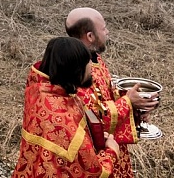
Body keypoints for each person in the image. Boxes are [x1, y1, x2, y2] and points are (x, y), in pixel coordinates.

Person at [65, 7, 158, 178]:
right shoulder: (76, 69)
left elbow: (105, 95)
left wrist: (137, 109)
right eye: (104, 28)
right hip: (97, 158)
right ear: (90, 36)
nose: (107, 32)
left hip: (114, 150)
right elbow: (91, 120)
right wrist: (128, 102)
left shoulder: (95, 58)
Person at [11, 37, 119, 178]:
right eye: (87, 62)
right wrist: (111, 152)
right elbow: (93, 173)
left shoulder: (38, 90)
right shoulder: (65, 124)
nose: (91, 67)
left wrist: (93, 137)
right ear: (76, 69)